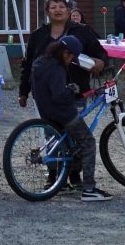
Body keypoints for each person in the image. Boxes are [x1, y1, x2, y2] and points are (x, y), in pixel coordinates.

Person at [28, 28, 109, 202]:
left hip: (46, 112)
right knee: (88, 142)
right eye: (72, 57)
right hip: (62, 113)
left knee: (69, 144)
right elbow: (59, 95)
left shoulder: (40, 61)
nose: (72, 60)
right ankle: (89, 189)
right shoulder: (57, 68)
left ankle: (63, 180)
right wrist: (71, 90)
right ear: (65, 53)